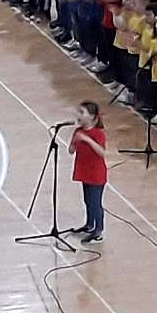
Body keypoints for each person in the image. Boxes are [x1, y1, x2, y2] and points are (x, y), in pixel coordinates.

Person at [69, 101, 107, 244]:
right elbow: (71, 150)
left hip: (96, 173)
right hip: (84, 171)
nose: (78, 115)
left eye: (82, 112)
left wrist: (87, 140)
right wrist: (74, 141)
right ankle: (89, 224)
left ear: (91, 116)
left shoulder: (98, 133)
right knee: (87, 200)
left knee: (95, 202)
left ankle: (99, 231)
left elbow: (101, 152)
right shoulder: (78, 131)